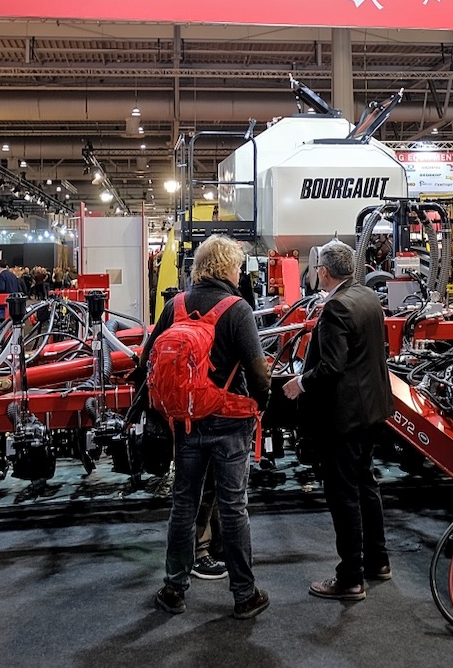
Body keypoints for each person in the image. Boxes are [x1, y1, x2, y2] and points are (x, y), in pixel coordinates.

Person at [141, 234, 270, 620]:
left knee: (184, 503)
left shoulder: (174, 305)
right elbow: (258, 372)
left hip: (187, 423)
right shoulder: (237, 308)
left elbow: (146, 362)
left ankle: (174, 588)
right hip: (230, 424)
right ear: (227, 266)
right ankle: (244, 595)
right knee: (233, 507)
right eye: (237, 264)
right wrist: (260, 407)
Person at [282, 240, 390, 602]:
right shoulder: (368, 297)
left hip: (344, 418)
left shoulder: (337, 308)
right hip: (372, 411)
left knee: (343, 495)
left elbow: (330, 368)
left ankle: (350, 578)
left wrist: (299, 383)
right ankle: (378, 561)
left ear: (324, 272)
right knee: (365, 485)